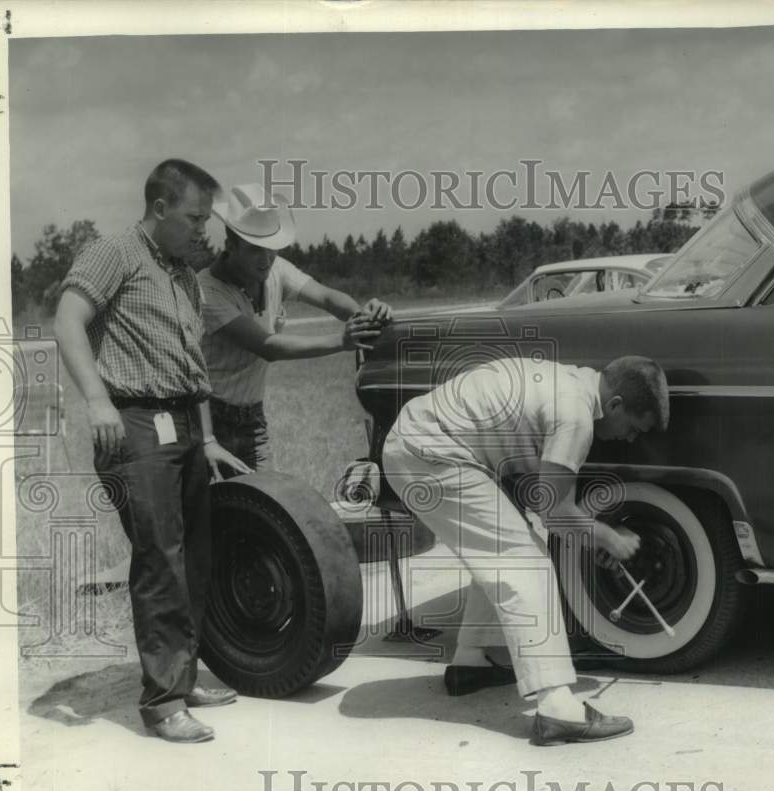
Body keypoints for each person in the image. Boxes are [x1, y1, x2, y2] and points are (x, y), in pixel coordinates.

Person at [55, 159, 251, 744]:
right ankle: (163, 703)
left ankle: (182, 677)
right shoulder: (112, 252)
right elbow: (68, 321)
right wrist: (97, 402)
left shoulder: (184, 274)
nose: (202, 229)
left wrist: (209, 437)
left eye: (207, 218)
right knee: (160, 558)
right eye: (195, 217)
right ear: (160, 208)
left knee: (194, 554)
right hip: (133, 424)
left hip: (185, 425)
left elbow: (195, 370)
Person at [382, 355, 669, 745]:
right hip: (429, 454)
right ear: (615, 405)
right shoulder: (576, 416)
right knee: (524, 561)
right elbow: (555, 512)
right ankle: (558, 710)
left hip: (427, 443)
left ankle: (471, 662)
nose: (630, 439)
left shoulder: (571, 381)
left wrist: (592, 535)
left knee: (506, 548)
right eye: (634, 428)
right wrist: (609, 538)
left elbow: (542, 498)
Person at [198, 183, 392, 472]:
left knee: (266, 503)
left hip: (252, 417)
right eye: (254, 249)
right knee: (216, 511)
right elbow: (267, 347)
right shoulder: (207, 291)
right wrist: (342, 339)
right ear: (231, 245)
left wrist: (364, 315)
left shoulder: (276, 270)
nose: (265, 259)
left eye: (271, 248)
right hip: (209, 421)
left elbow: (327, 297)